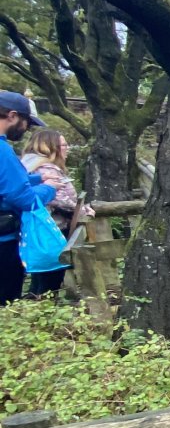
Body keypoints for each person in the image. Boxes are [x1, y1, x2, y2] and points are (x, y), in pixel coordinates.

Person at [0, 91, 55, 305]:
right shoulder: (2, 149)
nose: (28, 129)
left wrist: (38, 177)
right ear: (12, 116)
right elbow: (22, 198)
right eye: (27, 123)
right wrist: (49, 188)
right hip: (3, 243)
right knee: (6, 302)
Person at [22, 128, 91, 296]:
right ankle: (43, 313)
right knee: (51, 276)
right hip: (51, 228)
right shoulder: (46, 169)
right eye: (63, 145)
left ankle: (33, 312)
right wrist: (83, 209)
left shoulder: (28, 164)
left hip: (36, 228)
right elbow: (59, 199)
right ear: (50, 147)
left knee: (40, 276)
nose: (67, 148)